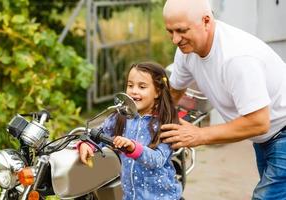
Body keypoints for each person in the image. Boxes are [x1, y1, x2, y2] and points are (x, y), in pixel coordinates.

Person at [159, 0, 286, 199]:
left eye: (181, 30)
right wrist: (151, 121)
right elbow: (174, 92)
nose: (175, 39)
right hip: (266, 137)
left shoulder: (237, 58)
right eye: (170, 31)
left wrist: (198, 135)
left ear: (206, 21)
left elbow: (258, 122)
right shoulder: (187, 51)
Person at [78, 62, 182, 200]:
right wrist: (87, 144)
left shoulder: (165, 123)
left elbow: (157, 160)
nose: (134, 91)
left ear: (157, 91)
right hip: (131, 196)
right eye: (130, 85)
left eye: (142, 87)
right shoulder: (120, 117)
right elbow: (99, 134)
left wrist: (133, 148)